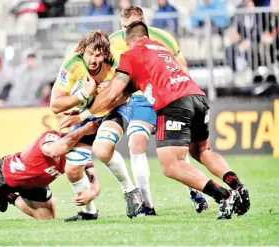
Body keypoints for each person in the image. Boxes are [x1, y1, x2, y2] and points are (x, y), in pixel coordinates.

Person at [61, 21, 251, 220]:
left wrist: (84, 108)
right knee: (202, 151)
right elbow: (126, 94)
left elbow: (112, 95)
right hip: (197, 97)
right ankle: (238, 186)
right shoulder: (160, 49)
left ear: (128, 40)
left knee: (171, 165)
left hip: (173, 104)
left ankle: (224, 196)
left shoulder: (130, 55)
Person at [108, 6, 208, 215]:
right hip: (141, 100)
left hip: (169, 97)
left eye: (131, 26)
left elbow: (182, 67)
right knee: (135, 141)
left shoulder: (163, 38)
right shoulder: (113, 42)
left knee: (177, 150)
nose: (127, 32)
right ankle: (147, 205)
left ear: (143, 23)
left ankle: (196, 194)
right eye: (124, 27)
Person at [51, 30, 142, 220]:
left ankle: (130, 190)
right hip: (88, 111)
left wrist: (98, 102)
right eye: (90, 53)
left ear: (106, 54)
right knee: (72, 169)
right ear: (83, 50)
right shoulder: (72, 64)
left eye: (99, 55)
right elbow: (55, 105)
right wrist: (82, 95)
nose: (93, 59)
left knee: (102, 149)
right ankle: (89, 212)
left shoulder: (117, 62)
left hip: (117, 107)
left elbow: (125, 95)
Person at [0, 121, 100, 220]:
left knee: (47, 217)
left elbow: (92, 176)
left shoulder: (80, 154)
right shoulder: (52, 137)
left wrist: (93, 192)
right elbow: (55, 150)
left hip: (35, 184)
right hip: (9, 173)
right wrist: (83, 130)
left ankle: (10, 196)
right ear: (76, 137)